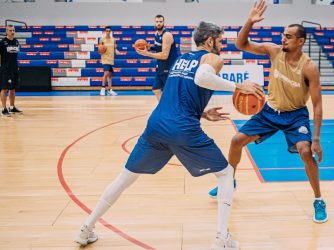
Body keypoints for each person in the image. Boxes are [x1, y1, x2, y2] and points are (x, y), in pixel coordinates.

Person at [74, 21, 263, 249]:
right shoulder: (213, 58)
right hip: (182, 129)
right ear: (210, 40)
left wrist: (202, 113)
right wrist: (238, 86)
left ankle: (86, 228)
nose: (222, 45)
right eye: (220, 40)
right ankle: (222, 239)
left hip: (156, 125)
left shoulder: (182, 59)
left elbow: (178, 95)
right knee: (225, 174)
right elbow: (202, 78)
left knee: (124, 178)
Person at [208, 0, 328, 223]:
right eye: (283, 35)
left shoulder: (309, 66)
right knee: (236, 141)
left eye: (289, 36)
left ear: (300, 41)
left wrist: (317, 139)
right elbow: (241, 45)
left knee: (305, 152)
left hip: (295, 116)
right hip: (270, 112)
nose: (283, 38)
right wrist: (250, 21)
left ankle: (318, 199)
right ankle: (229, 182)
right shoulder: (274, 51)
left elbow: (318, 105)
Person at [135, 14, 179, 101]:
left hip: (169, 66)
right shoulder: (156, 34)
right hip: (161, 66)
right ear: (154, 23)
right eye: (157, 22)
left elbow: (164, 55)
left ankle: (172, 110)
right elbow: (159, 48)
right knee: (156, 89)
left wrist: (146, 53)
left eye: (160, 21)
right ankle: (164, 109)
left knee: (170, 92)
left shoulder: (167, 35)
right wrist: (149, 48)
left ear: (163, 23)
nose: (158, 23)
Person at [0, 25, 22, 117]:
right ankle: (3, 109)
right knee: (4, 89)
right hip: (5, 69)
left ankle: (12, 107)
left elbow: (14, 56)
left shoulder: (16, 41)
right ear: (6, 32)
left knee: (13, 89)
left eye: (13, 30)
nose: (12, 32)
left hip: (14, 69)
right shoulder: (2, 42)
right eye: (10, 30)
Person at [99, 26, 120, 96]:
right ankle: (102, 89)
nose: (108, 32)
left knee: (110, 76)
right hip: (105, 59)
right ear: (105, 32)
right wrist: (101, 50)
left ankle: (110, 90)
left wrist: (116, 50)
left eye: (109, 31)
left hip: (111, 59)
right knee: (106, 73)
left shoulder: (113, 40)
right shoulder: (102, 40)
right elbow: (99, 50)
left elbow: (115, 48)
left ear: (110, 32)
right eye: (106, 31)